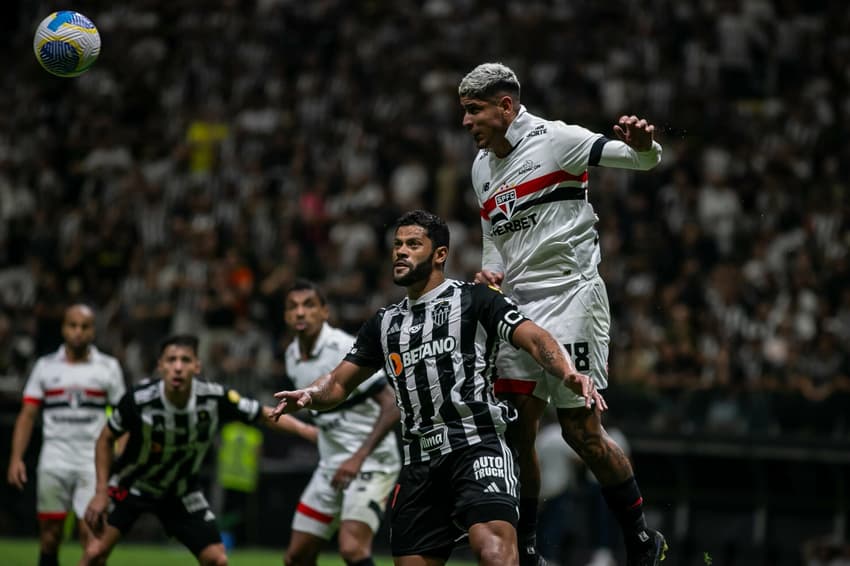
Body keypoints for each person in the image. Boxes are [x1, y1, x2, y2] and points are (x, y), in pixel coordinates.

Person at [271, 210, 606, 566]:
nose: (401, 251)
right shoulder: (384, 323)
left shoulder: (476, 299)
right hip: (419, 463)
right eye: (397, 244)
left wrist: (567, 372)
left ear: (440, 255)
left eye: (413, 244)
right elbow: (337, 383)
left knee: (494, 553)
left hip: (477, 447)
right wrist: (309, 395)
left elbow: (536, 339)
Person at [458, 61, 667, 566]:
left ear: (505, 106)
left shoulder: (557, 140)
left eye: (474, 110)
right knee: (517, 430)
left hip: (573, 297)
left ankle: (641, 539)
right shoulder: (481, 167)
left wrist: (644, 144)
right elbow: (495, 237)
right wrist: (491, 273)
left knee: (580, 434)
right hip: (519, 310)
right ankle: (527, 548)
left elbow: (640, 162)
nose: (466, 122)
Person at [78, 334, 318, 566]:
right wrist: (101, 492)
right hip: (132, 485)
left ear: (197, 366)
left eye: (185, 360)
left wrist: (307, 431)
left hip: (181, 491)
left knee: (217, 559)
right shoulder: (139, 400)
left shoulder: (214, 397)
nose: (178, 367)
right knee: (94, 553)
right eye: (171, 360)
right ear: (160, 366)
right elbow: (105, 438)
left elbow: (263, 414)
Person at [282, 278, 401, 566]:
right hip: (331, 466)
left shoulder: (344, 347)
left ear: (325, 312)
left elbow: (392, 404)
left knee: (352, 549)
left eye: (309, 305)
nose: (300, 313)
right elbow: (329, 417)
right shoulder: (291, 356)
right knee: (296, 556)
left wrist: (358, 458)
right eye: (293, 307)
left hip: (372, 462)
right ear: (285, 316)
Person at [7, 304, 126, 566]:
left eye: (84, 327)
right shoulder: (45, 366)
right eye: (72, 325)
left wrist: (122, 459)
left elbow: (122, 419)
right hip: (54, 458)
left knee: (92, 536)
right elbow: (27, 415)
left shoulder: (108, 367)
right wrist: (16, 458)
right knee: (50, 536)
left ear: (93, 331)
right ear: (63, 328)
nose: (78, 332)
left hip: (93, 461)